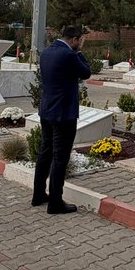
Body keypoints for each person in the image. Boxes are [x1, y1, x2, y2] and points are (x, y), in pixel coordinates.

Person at [32, 24, 92, 214]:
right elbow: (86, 72)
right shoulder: (69, 55)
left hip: (47, 111)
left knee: (45, 152)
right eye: (80, 41)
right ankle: (55, 202)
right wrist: (80, 53)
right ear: (74, 40)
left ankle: (38, 194)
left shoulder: (47, 52)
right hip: (64, 114)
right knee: (60, 157)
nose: (80, 44)